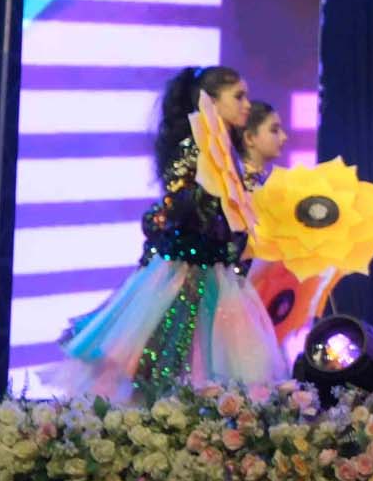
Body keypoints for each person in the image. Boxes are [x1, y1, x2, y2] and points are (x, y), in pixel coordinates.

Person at [46, 65, 290, 402]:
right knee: (166, 364)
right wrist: (204, 204)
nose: (247, 105)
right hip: (183, 274)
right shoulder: (196, 147)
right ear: (211, 101)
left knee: (214, 369)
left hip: (216, 273)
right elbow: (173, 205)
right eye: (238, 96)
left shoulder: (226, 151)